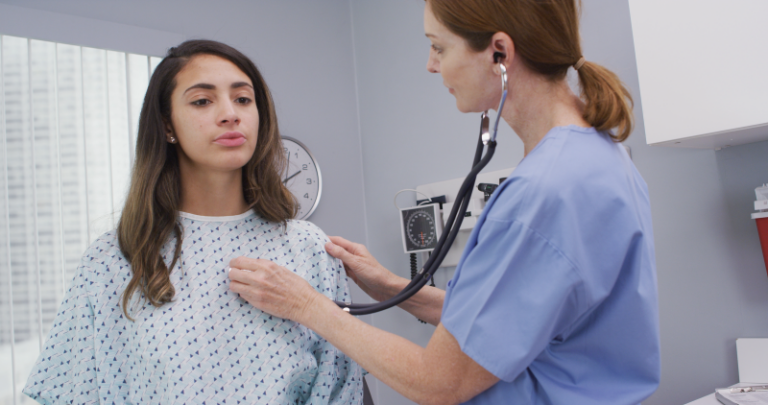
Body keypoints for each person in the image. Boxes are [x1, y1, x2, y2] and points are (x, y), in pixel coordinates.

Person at [228, 0, 660, 404]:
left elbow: (441, 379)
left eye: (439, 47)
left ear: (499, 53)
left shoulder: (544, 193)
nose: (431, 65)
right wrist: (392, 288)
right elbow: (504, 319)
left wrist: (307, 305)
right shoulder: (597, 156)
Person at [23, 40, 364, 404]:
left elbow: (341, 386)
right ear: (167, 125)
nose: (230, 114)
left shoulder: (309, 247)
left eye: (243, 99)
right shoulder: (113, 259)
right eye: (203, 100)